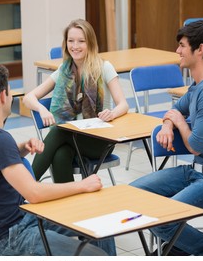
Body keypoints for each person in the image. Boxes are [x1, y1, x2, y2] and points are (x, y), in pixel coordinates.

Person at [0, 64, 116, 256]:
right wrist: (82, 185)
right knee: (96, 256)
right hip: (11, 236)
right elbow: (34, 193)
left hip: (18, 221)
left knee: (100, 217)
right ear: (3, 96)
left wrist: (22, 148)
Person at [130, 20, 203, 256]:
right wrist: (167, 124)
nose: (177, 51)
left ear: (200, 49)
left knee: (162, 220)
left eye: (182, 45)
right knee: (131, 196)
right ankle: (181, 248)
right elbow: (174, 111)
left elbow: (195, 146)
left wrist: (180, 122)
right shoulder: (197, 85)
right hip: (195, 172)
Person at [23, 19, 128, 183]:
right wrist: (42, 109)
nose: (75, 46)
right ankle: (68, 204)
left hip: (100, 140)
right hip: (73, 138)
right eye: (71, 41)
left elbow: (123, 104)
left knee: (60, 130)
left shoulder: (104, 67)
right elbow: (29, 98)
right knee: (60, 155)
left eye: (81, 41)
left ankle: (24, 187)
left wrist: (112, 113)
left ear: (90, 43)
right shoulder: (64, 70)